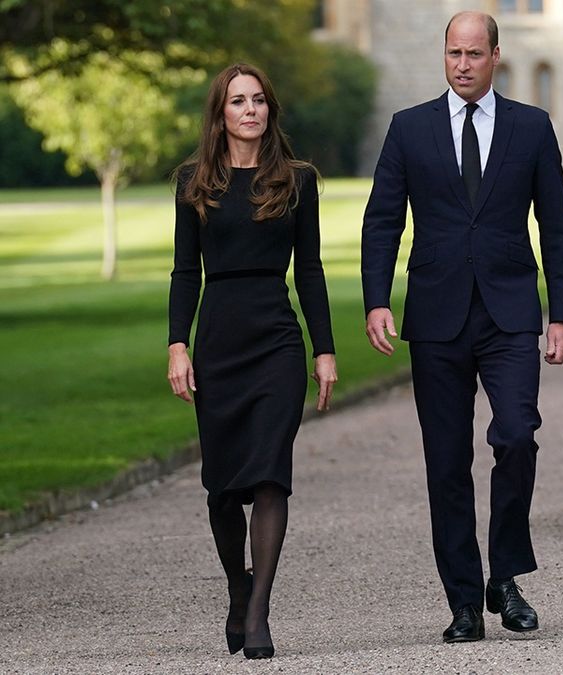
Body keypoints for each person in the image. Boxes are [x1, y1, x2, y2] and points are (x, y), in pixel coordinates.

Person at [360, 11, 563, 643]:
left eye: (474, 54)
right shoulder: (409, 129)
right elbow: (382, 223)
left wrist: (560, 313)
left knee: (515, 437)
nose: (462, 64)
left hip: (510, 313)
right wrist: (377, 300)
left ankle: (504, 576)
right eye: (453, 53)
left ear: (495, 57)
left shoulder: (532, 127)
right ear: (444, 56)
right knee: (446, 461)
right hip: (436, 316)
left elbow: (557, 227)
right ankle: (462, 601)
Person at [167, 63, 337, 659]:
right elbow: (186, 270)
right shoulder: (194, 182)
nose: (249, 110)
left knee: (270, 475)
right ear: (220, 113)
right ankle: (237, 589)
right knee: (221, 489)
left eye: (259, 101)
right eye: (237, 101)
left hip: (276, 344)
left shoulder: (296, 180)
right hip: (218, 342)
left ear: (270, 111)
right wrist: (177, 345)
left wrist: (323, 350)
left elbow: (310, 271)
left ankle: (259, 610)